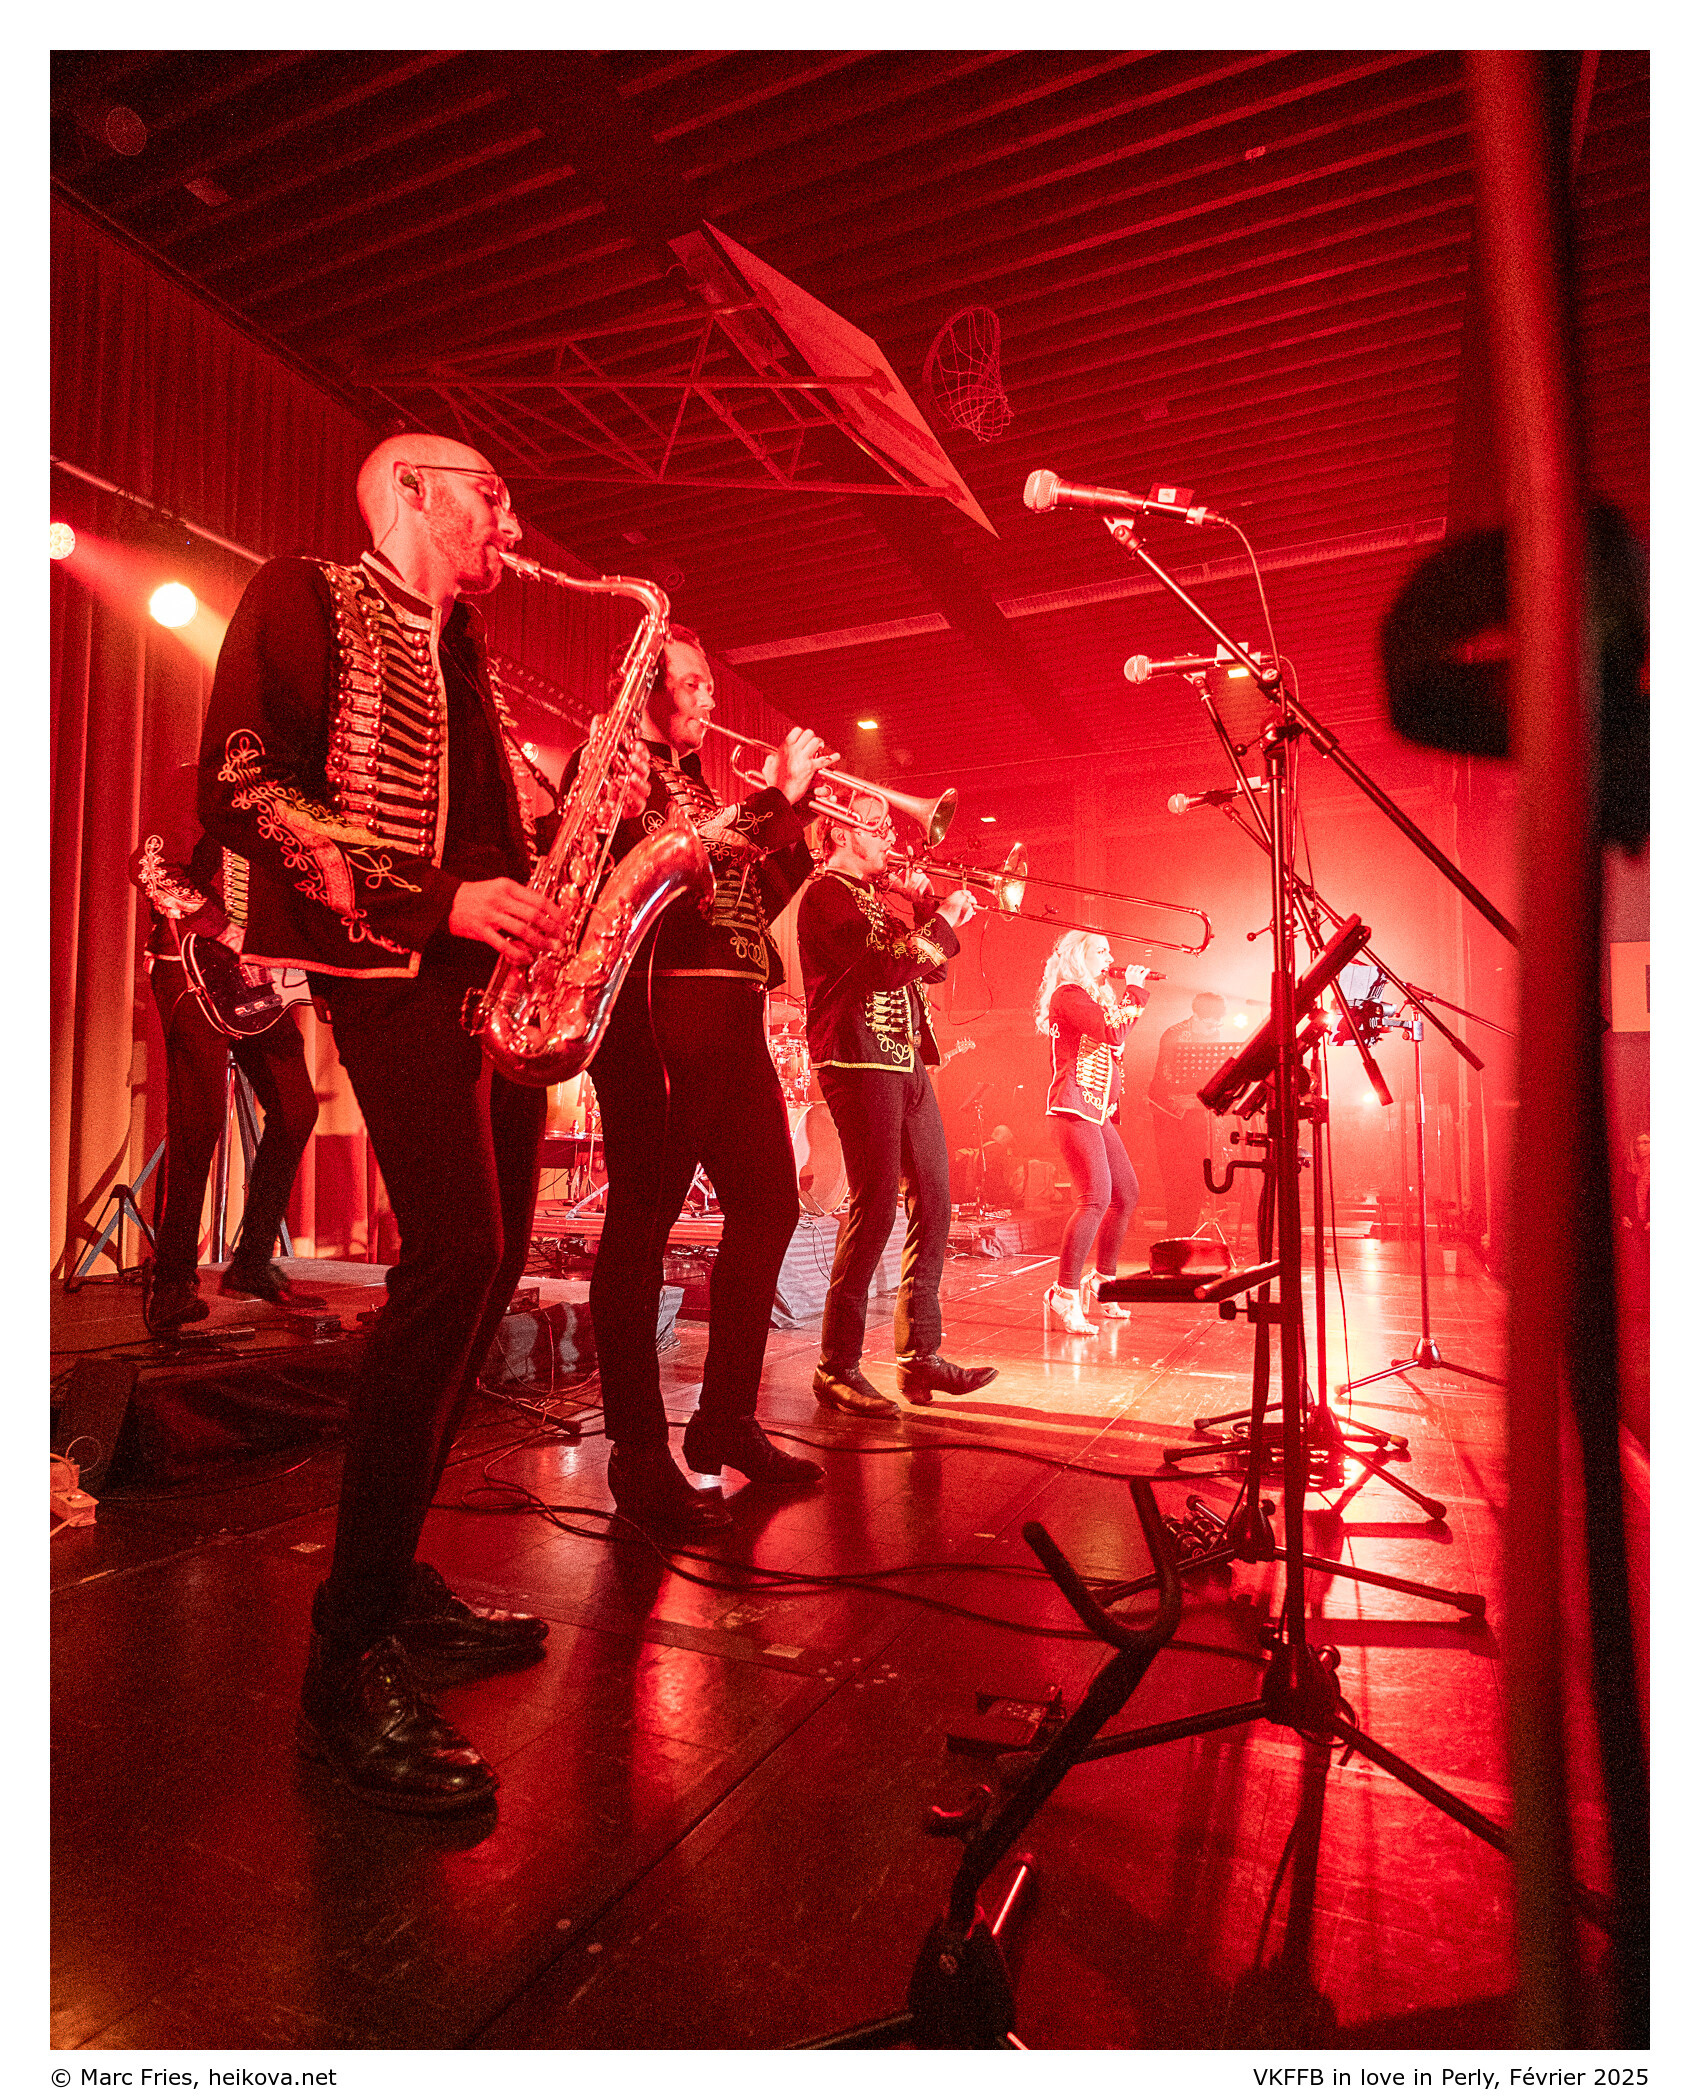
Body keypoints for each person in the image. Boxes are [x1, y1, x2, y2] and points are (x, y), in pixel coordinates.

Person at [199, 433, 559, 1816]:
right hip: (391, 972)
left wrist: (539, 897)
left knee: (487, 1268)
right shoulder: (304, 594)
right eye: (490, 491)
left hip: (490, 988)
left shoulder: (462, 648)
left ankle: (396, 1583)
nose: (507, 519)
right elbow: (248, 785)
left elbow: (487, 835)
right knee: (452, 1259)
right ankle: (342, 1657)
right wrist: (439, 899)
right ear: (409, 487)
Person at [566, 625, 833, 1533]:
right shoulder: (612, 767)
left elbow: (752, 901)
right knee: (641, 1229)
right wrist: (772, 803)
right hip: (658, 1012)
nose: (710, 700)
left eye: (710, 685)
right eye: (692, 684)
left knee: (771, 1206)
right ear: (645, 686)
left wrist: (795, 824)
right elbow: (667, 871)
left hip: (731, 1012)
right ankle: (637, 1453)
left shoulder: (700, 785)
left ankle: (725, 1421)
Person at [798, 797, 996, 1415]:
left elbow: (926, 972)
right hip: (856, 1059)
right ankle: (836, 1365)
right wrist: (941, 922)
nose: (890, 835)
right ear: (840, 833)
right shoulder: (826, 895)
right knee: (876, 1204)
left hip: (906, 1061)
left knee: (935, 1199)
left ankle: (920, 1356)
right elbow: (884, 968)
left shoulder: (875, 900)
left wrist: (931, 909)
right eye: (876, 825)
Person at [129, 769, 323, 1333]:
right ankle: (171, 1284)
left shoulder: (295, 802)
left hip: (258, 975)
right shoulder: (196, 783)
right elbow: (151, 866)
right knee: (199, 1123)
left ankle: (252, 1260)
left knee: (297, 1110)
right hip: (189, 964)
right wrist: (225, 930)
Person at [1035, 930, 1150, 1333]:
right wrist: (1134, 991)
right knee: (1095, 1198)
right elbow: (1113, 1031)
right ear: (1078, 957)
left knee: (1126, 1193)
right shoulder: (1068, 995)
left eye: (1109, 951)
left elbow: (1114, 1041)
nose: (1110, 958)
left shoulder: (1093, 998)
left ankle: (1102, 1282)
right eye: (1101, 951)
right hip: (1072, 1107)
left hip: (1097, 1112)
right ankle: (1063, 1292)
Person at [1149, 991, 1231, 1234]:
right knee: (1175, 1175)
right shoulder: (1174, 1035)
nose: (1213, 1028)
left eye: (1217, 1024)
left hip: (1197, 1112)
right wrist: (1189, 1100)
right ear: (1195, 1015)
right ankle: (1175, 1232)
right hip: (1169, 1114)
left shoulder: (1213, 1035)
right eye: (1209, 1023)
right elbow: (1165, 1079)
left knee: (1197, 1173)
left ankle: (1188, 1232)